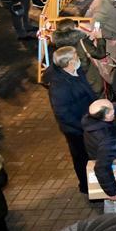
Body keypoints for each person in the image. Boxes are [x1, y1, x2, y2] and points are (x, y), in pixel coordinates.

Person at [46, 46, 98, 194]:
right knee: (81, 157)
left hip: (88, 122)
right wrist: (84, 126)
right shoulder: (59, 86)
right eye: (76, 57)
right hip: (76, 129)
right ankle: (85, 186)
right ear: (69, 63)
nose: (78, 59)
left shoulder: (75, 71)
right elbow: (63, 114)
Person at [82, 98, 116, 211]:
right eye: (111, 110)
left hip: (111, 171)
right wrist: (114, 191)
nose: (114, 111)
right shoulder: (107, 138)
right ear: (105, 116)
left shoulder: (91, 124)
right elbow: (102, 168)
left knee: (110, 204)